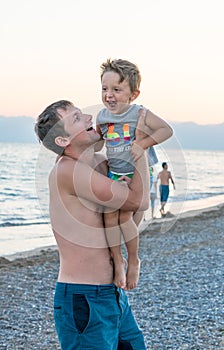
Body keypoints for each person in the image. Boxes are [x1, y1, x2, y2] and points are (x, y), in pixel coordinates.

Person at [34, 100, 150, 349]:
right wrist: (139, 146)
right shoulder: (67, 171)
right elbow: (136, 199)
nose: (88, 117)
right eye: (76, 118)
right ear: (63, 141)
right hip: (83, 297)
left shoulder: (99, 164)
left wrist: (133, 147)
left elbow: (133, 212)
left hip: (113, 295)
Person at [96, 58, 173, 290]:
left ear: (134, 94)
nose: (109, 95)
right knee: (109, 214)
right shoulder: (102, 116)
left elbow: (166, 130)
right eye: (104, 89)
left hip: (138, 173)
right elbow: (99, 142)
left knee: (125, 216)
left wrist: (143, 144)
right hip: (115, 173)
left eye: (117, 90)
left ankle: (133, 260)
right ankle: (118, 260)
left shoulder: (139, 113)